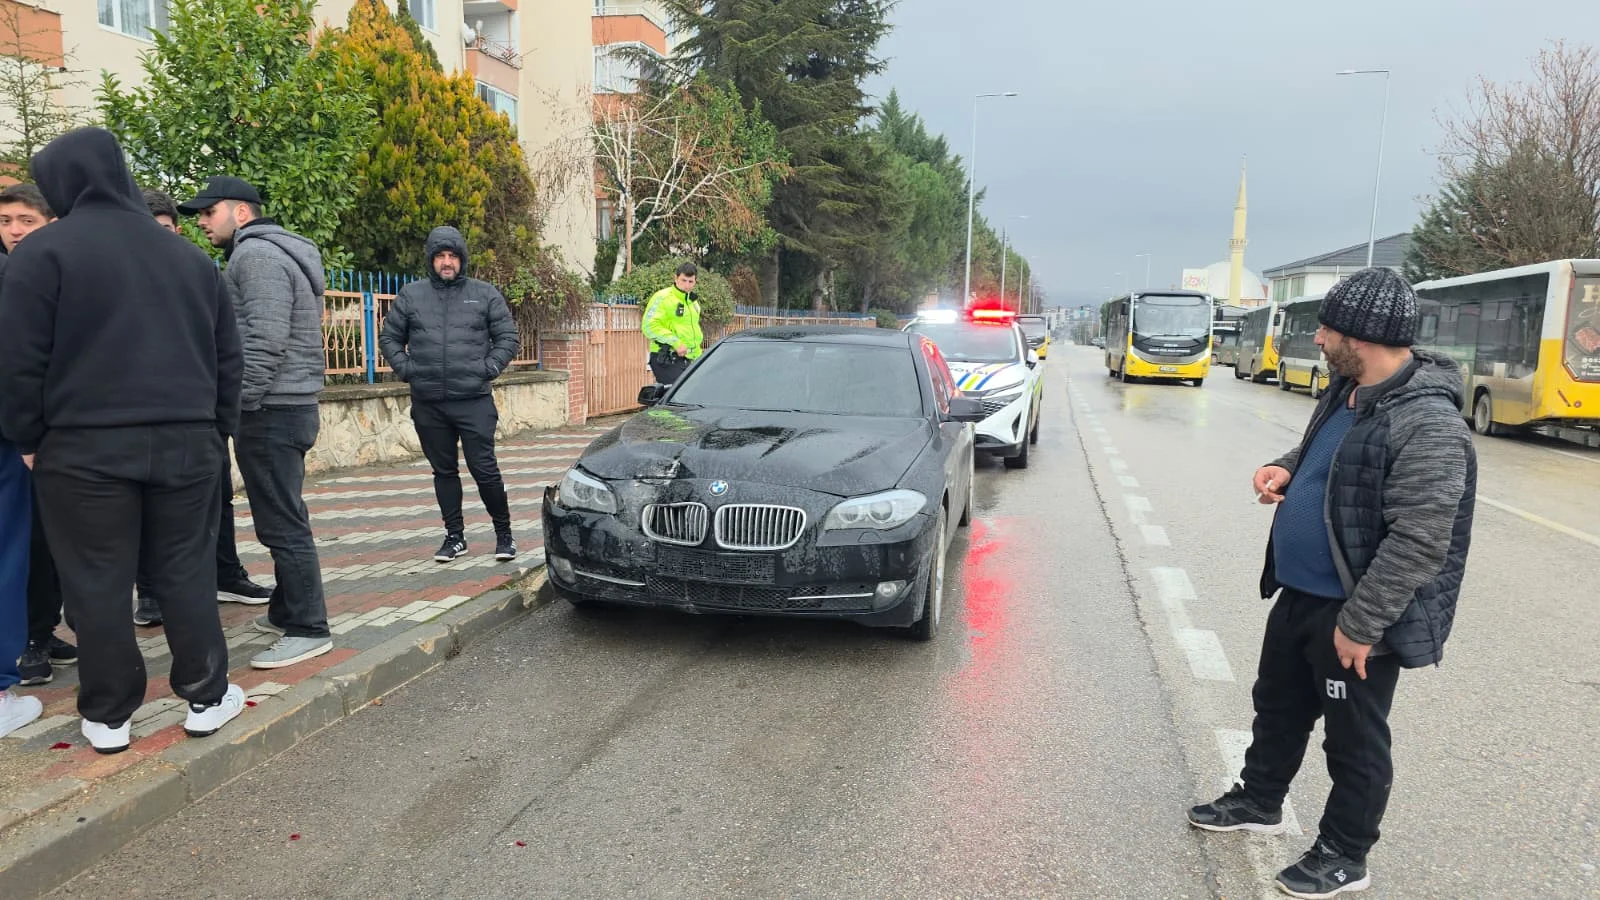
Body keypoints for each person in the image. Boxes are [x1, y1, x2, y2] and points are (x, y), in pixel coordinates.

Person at [1185, 267, 1477, 899]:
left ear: (1363, 336)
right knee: (1278, 705)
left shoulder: (1426, 421)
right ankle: (1259, 799)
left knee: (1354, 742)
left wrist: (1362, 624)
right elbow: (1324, 456)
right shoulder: (1347, 387)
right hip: (1302, 594)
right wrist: (1283, 469)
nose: (1316, 338)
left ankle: (1345, 855)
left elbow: (1421, 537)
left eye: (1327, 327)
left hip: (1355, 612)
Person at [0, 127, 248, 753]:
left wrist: (27, 437)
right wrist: (219, 425)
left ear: (61, 183)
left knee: (95, 580)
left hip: (82, 448)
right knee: (187, 570)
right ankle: (207, 697)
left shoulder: (41, 253)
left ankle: (109, 717)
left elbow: (18, 360)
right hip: (188, 440)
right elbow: (228, 354)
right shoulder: (189, 257)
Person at [180, 176, 332, 669]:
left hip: (271, 409)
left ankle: (309, 628)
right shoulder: (276, 252)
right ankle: (289, 609)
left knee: (281, 523)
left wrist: (237, 405)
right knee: (285, 513)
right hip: (287, 406)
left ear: (241, 212)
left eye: (209, 212)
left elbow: (265, 341)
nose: (201, 222)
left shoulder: (257, 256)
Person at [128, 188, 271, 628]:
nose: (160, 240)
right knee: (144, 509)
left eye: (167, 230)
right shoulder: (119, 276)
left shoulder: (197, 270)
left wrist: (223, 415)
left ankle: (226, 574)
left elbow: (224, 342)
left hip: (200, 411)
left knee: (218, 498)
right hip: (140, 415)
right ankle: (149, 593)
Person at [379, 227, 520, 563]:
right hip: (429, 403)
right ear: (431, 259)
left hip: (474, 401)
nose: (446, 262)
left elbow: (508, 338)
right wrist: (409, 371)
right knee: (443, 472)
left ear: (461, 259)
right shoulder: (411, 295)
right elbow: (389, 339)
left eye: (452, 256)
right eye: (440, 256)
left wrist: (487, 369)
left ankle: (504, 534)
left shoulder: (484, 293)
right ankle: (455, 537)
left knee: (484, 470)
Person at [0, 184, 74, 686]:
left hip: (54, 428)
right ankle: (25, 642)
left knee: (48, 537)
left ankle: (42, 629)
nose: (14, 230)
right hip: (16, 433)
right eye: (6, 220)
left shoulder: (58, 270)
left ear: (49, 222)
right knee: (20, 540)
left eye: (25, 219)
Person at [640, 262, 704, 385]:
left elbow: (693, 333)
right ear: (676, 278)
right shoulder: (662, 297)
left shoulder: (693, 303)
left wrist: (699, 358)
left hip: (690, 359)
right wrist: (676, 342)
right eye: (683, 280)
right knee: (679, 399)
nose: (686, 285)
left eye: (690, 282)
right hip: (667, 357)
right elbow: (649, 326)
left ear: (695, 281)